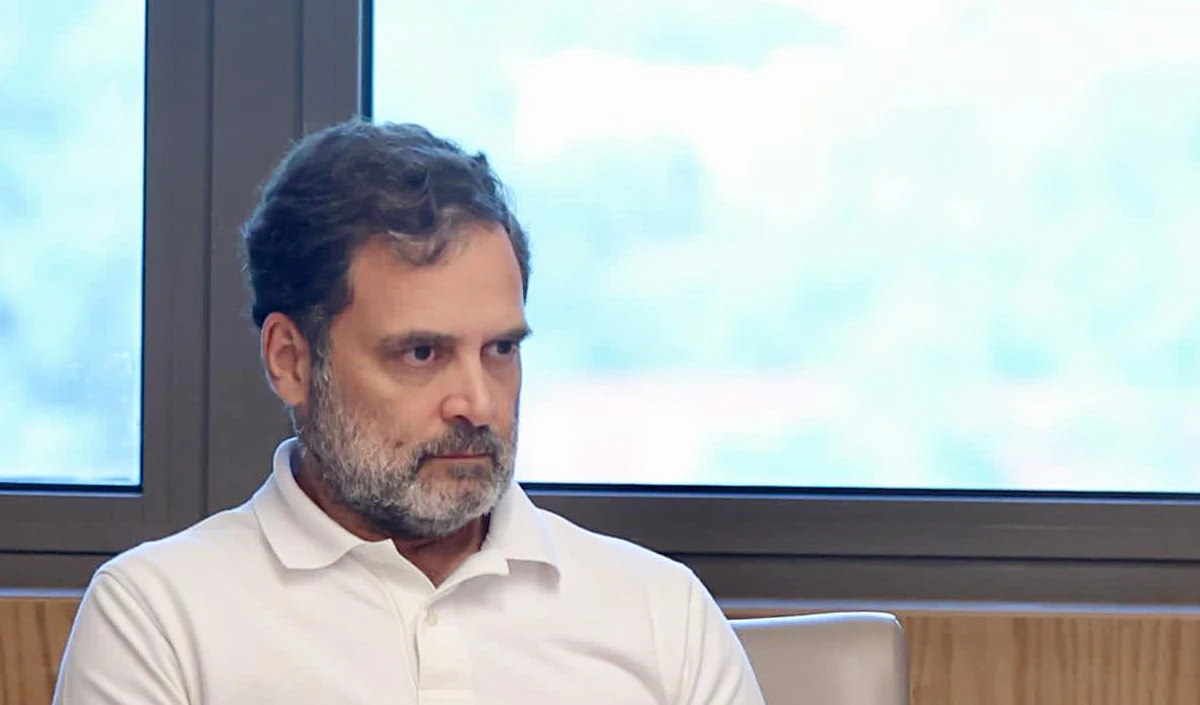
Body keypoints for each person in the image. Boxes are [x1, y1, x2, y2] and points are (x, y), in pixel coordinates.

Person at [53, 120, 765, 705]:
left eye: (500, 350)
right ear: (291, 360)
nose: (477, 403)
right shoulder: (158, 618)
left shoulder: (661, 615)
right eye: (422, 353)